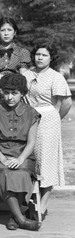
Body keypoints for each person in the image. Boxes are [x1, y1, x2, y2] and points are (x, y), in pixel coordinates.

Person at [0, 73, 41, 231]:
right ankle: (22, 219)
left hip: (23, 154)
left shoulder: (32, 113)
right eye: (6, 92)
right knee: (7, 173)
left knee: (22, 173)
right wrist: (2, 158)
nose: (10, 97)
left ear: (22, 93)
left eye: (14, 93)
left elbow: (31, 142)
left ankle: (13, 216)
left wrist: (21, 159)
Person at [23, 43, 72, 220]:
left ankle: (42, 206)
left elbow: (66, 103)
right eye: (37, 54)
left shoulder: (56, 77)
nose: (40, 58)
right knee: (30, 159)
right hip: (28, 117)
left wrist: (54, 117)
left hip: (47, 118)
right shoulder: (27, 74)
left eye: (44, 55)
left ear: (51, 58)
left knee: (46, 162)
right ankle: (29, 200)